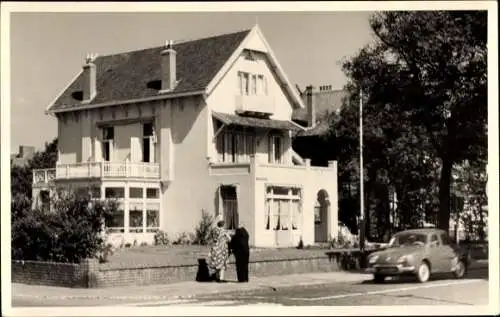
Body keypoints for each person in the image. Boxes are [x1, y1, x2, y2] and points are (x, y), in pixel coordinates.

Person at [207, 217, 231, 282]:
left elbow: (210, 238)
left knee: (216, 264)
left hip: (215, 248)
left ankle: (217, 277)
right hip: (222, 249)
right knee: (222, 264)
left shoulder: (214, 230)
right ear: (223, 224)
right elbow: (229, 239)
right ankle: (221, 278)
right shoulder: (224, 231)